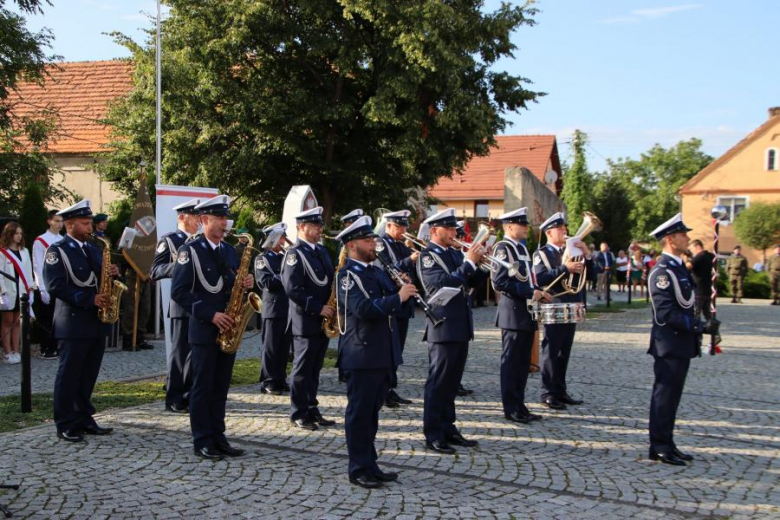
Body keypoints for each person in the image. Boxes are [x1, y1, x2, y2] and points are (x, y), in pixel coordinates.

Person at [336, 215, 416, 488]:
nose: (374, 244)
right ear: (352, 245)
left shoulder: (377, 271)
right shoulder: (347, 276)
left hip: (382, 353)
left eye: (373, 239)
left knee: (371, 414)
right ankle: (358, 468)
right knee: (359, 414)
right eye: (368, 240)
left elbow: (396, 309)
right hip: (362, 354)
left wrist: (402, 290)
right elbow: (364, 310)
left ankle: (370, 464)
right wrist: (398, 296)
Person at [171, 195, 253, 460]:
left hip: (228, 327)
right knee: (203, 386)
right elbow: (180, 292)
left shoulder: (229, 251)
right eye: (219, 219)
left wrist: (247, 284)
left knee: (221, 387)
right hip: (205, 328)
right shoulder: (190, 251)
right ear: (204, 220)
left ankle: (219, 436)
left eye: (225, 219)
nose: (224, 224)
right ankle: (202, 439)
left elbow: (231, 284)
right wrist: (211, 315)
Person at [44, 200, 119, 442]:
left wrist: (112, 273)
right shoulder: (58, 250)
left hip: (95, 320)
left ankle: (84, 416)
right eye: (85, 224)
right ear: (70, 224)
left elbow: (100, 276)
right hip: (73, 321)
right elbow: (55, 285)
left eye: (90, 223)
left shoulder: (93, 249)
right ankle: (65, 422)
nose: (90, 227)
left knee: (88, 373)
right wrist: (88, 299)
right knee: (69, 374)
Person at [416, 208, 487, 454]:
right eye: (449, 228)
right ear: (435, 230)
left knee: (452, 382)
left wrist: (482, 265)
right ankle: (433, 432)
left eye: (454, 228)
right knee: (438, 383)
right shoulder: (428, 256)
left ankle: (448, 427)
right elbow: (441, 285)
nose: (454, 232)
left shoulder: (454, 254)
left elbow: (471, 281)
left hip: (460, 325)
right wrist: (468, 262)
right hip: (442, 325)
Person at [647, 213, 709, 466]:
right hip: (669, 344)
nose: (688, 238)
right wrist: (698, 326)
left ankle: (668, 442)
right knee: (664, 396)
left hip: (680, 343)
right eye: (683, 234)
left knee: (673, 397)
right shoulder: (662, 272)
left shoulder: (678, 268)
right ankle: (659, 445)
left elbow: (689, 303)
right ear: (671, 239)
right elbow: (665, 313)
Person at [491, 208, 550, 424]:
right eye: (521, 224)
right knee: (512, 363)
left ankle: (520, 404)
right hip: (513, 313)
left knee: (524, 362)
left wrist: (539, 292)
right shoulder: (503, 248)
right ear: (509, 226)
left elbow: (528, 279)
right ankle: (511, 408)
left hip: (526, 312)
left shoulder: (522, 249)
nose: (526, 227)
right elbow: (499, 281)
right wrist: (529, 292)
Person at [281, 206, 336, 430]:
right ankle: (298, 412)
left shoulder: (321, 251)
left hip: (324, 319)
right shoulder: (295, 254)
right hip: (306, 319)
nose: (319, 229)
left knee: (315, 368)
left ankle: (312, 408)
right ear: (301, 227)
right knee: (302, 369)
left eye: (320, 225)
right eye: (315, 225)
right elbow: (293, 289)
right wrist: (318, 307)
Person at [533, 212, 591, 410]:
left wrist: (588, 254)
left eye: (564, 227)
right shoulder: (541, 254)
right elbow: (540, 279)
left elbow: (597, 271)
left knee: (564, 351)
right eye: (560, 228)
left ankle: (560, 390)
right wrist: (565, 268)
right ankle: (547, 392)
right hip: (555, 304)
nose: (564, 230)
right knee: (551, 350)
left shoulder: (573, 250)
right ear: (549, 232)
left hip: (572, 303)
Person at [150, 197, 201, 414]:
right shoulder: (170, 240)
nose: (199, 220)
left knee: (197, 354)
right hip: (181, 304)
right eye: (195, 216)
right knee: (180, 353)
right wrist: (180, 267)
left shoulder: (201, 241)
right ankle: (174, 397)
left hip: (201, 303)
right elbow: (155, 270)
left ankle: (192, 394)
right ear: (182, 217)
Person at [374, 209, 418, 408]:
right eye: (399, 226)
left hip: (404, 302)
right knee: (388, 349)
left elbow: (406, 271)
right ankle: (383, 390)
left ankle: (390, 388)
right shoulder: (381, 243)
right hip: (391, 301)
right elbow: (385, 269)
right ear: (388, 225)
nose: (403, 230)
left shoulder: (400, 244)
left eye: (404, 226)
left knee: (397, 349)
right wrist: (411, 259)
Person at [255, 222, 292, 395]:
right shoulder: (262, 259)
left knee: (284, 347)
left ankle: (280, 378)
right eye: (281, 237)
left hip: (288, 307)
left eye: (284, 237)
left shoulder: (286, 256)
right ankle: (268, 380)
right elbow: (266, 282)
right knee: (270, 347)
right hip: (272, 308)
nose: (284, 240)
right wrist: (287, 276)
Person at [1, 222, 35, 364]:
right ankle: (7, 352)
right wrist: (2, 292)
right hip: (8, 291)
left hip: (22, 291)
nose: (19, 236)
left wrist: (31, 289)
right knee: (7, 322)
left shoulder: (24, 251)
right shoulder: (2, 252)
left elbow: (28, 271)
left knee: (17, 322)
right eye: (16, 233)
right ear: (9, 234)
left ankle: (16, 350)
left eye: (21, 233)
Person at [32, 209, 64, 359]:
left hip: (61, 283)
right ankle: (47, 347)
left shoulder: (63, 239)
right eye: (57, 221)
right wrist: (42, 288)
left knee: (59, 317)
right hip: (47, 283)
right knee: (47, 318)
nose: (60, 224)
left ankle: (58, 345)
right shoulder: (41, 240)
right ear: (49, 221)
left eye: (61, 221)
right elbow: (38, 265)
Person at [687, 240, 715, 321]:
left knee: (695, 314)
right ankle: (714, 332)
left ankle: (696, 332)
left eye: (692, 249)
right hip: (707, 289)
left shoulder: (699, 257)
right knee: (707, 314)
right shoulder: (710, 256)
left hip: (698, 290)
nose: (691, 252)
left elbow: (688, 266)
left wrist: (684, 260)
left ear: (698, 247)